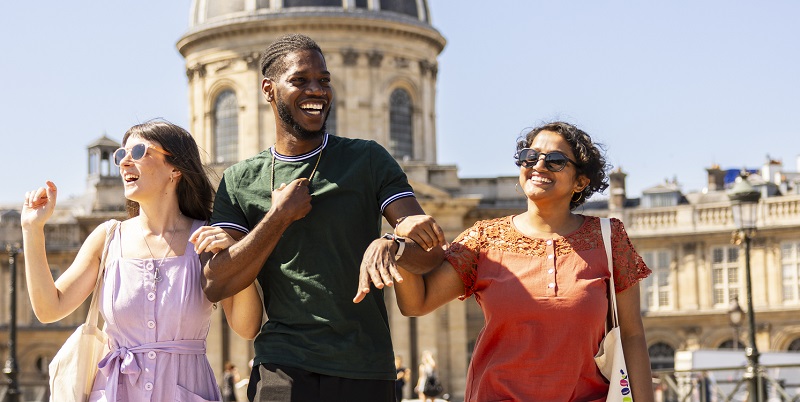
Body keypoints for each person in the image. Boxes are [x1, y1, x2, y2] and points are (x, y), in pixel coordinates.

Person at [201, 33, 445, 402]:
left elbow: (427, 251)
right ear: (268, 89)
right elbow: (216, 283)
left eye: (325, 81)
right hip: (280, 366)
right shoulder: (238, 181)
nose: (317, 90)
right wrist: (279, 216)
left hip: (364, 365)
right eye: (300, 80)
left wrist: (392, 245)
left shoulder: (367, 160)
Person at [371, 121, 655, 401]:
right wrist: (398, 244)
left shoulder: (608, 238)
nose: (539, 165)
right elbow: (416, 303)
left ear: (580, 181)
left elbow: (631, 336)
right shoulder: (485, 238)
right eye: (530, 157)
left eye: (555, 160)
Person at [21, 120, 262, 401]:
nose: (124, 163)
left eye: (137, 152)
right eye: (120, 155)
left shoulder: (207, 237)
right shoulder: (108, 238)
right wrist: (32, 230)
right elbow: (49, 308)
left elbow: (247, 328)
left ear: (175, 169)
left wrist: (236, 257)